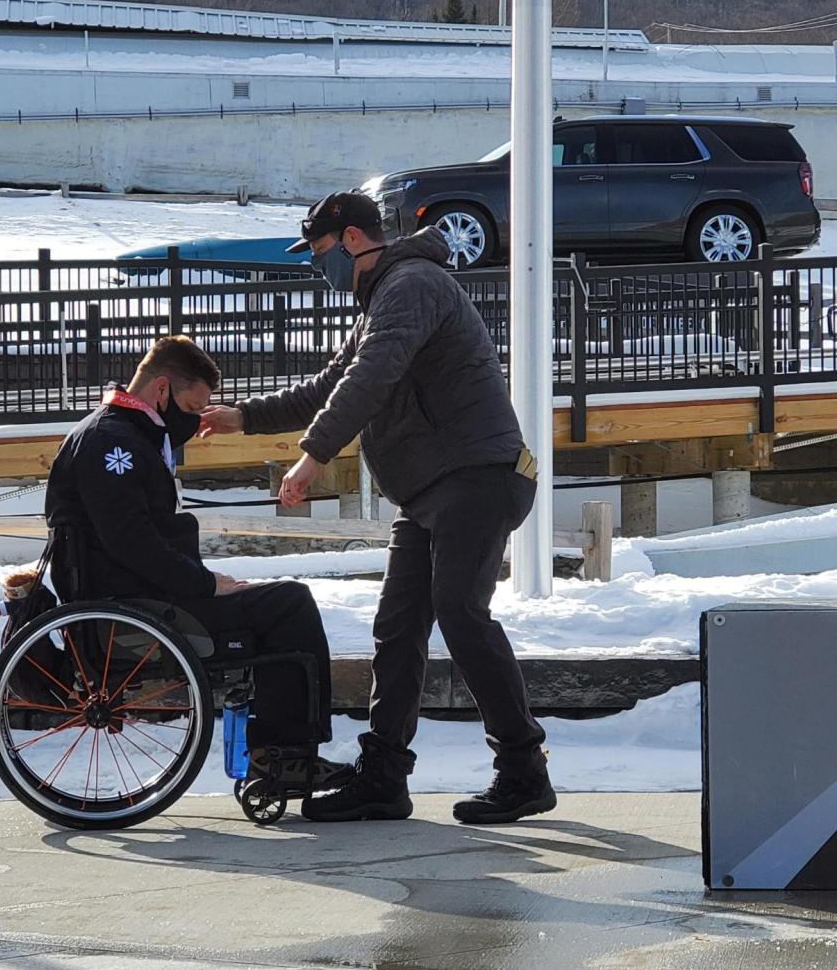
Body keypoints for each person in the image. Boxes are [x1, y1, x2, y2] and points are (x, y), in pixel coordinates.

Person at [200, 191, 555, 826]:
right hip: (431, 490)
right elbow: (332, 384)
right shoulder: (384, 299)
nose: (317, 264)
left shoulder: (413, 284)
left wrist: (313, 457)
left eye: (318, 250)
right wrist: (243, 417)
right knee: (397, 628)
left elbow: (372, 379)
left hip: (476, 475)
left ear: (355, 241)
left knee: (459, 613)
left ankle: (524, 770)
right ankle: (384, 777)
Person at [45, 334, 345, 778]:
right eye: (189, 410)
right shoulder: (115, 445)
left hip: (139, 596)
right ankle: (285, 755)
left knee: (276, 606)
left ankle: (279, 751)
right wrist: (204, 583)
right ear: (161, 389)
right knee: (289, 606)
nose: (191, 424)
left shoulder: (117, 435)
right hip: (136, 610)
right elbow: (131, 542)